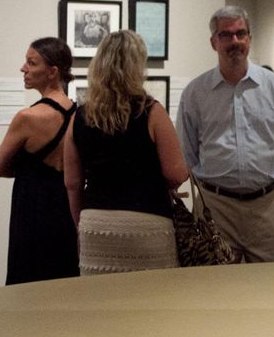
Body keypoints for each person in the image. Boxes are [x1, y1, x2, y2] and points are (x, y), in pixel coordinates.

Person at [177, 5, 274, 262]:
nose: (235, 41)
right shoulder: (195, 93)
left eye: (240, 34)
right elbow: (188, 152)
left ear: (249, 39)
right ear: (213, 42)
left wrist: (271, 174)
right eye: (226, 35)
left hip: (267, 206)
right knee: (217, 291)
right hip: (216, 208)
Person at [64, 30, 188, 274]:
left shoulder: (79, 116)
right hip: (147, 222)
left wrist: (81, 224)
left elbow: (72, 182)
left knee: (100, 307)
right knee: (153, 304)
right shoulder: (152, 112)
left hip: (95, 222)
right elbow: (176, 173)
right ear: (137, 66)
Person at [0, 37, 79, 284]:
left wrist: (28, 168)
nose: (23, 68)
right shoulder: (78, 114)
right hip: (66, 207)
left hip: (33, 209)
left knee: (29, 283)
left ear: (53, 72)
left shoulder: (27, 118)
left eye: (31, 63)